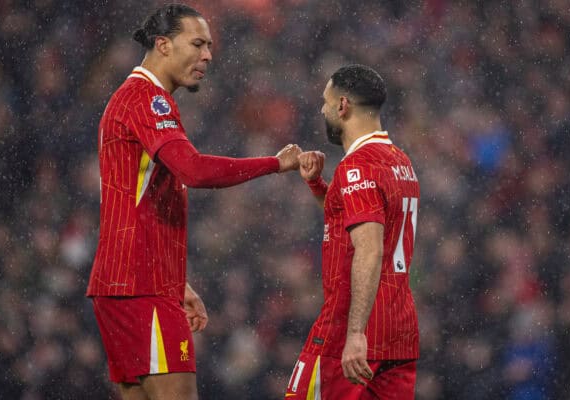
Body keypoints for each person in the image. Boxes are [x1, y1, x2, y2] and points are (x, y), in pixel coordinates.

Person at [85, 4, 302, 400]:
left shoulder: (131, 98)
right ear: (164, 45)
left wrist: (175, 280)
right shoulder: (148, 100)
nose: (208, 55)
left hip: (127, 282)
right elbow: (195, 170)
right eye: (198, 43)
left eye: (210, 46)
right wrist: (276, 163)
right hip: (141, 287)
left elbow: (135, 201)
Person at [286, 64, 420, 399]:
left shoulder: (357, 166)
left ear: (342, 105)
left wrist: (356, 332)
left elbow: (370, 248)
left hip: (348, 331)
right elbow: (356, 221)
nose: (322, 109)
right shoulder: (400, 162)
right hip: (398, 334)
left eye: (325, 101)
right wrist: (317, 186)